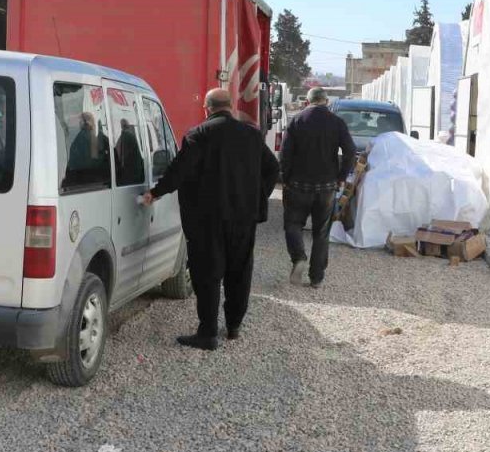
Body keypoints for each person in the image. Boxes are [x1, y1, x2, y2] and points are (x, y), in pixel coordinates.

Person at [142, 88, 279, 350]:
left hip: (208, 220)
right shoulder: (252, 135)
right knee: (239, 272)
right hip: (243, 218)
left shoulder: (199, 135)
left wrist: (155, 193)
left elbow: (178, 171)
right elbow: (272, 168)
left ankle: (207, 333)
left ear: (207, 108)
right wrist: (257, 197)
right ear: (230, 106)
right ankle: (234, 326)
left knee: (208, 274)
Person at [280, 87, 356, 288]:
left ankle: (298, 257)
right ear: (326, 101)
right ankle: (316, 277)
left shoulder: (296, 121)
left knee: (293, 224)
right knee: (321, 233)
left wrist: (285, 178)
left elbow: (285, 153)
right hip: (327, 187)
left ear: (307, 101)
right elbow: (350, 151)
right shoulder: (337, 122)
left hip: (298, 185)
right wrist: (341, 176)